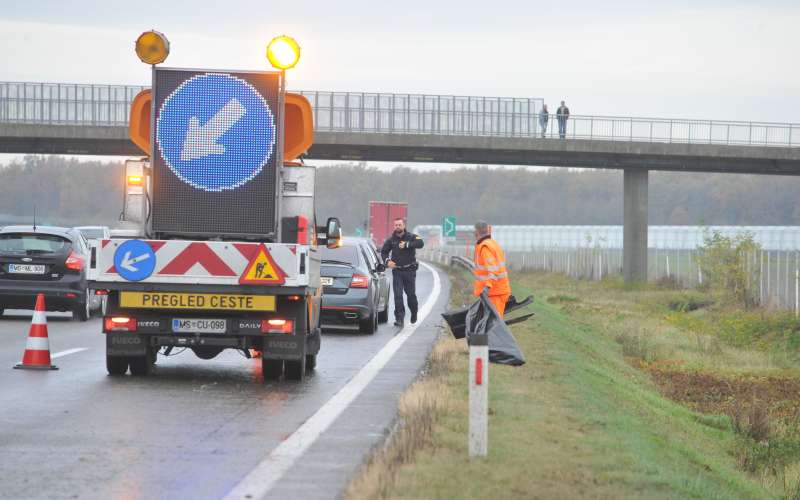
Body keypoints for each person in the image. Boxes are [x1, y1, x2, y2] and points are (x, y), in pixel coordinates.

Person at [381, 218, 425, 327]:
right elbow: (384, 252)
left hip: (409, 271)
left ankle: (414, 312)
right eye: (396, 225)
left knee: (411, 295)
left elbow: (421, 243)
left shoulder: (411, 237)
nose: (397, 227)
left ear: (404, 226)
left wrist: (407, 245)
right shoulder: (391, 240)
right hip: (397, 271)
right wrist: (387, 261)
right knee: (398, 295)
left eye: (399, 225)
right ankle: (399, 318)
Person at [472, 221, 511, 318]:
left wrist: (487, 287)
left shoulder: (485, 247)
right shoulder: (492, 244)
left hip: (494, 292)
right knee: (493, 323)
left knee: (494, 324)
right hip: (496, 291)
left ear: (476, 232)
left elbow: (493, 270)